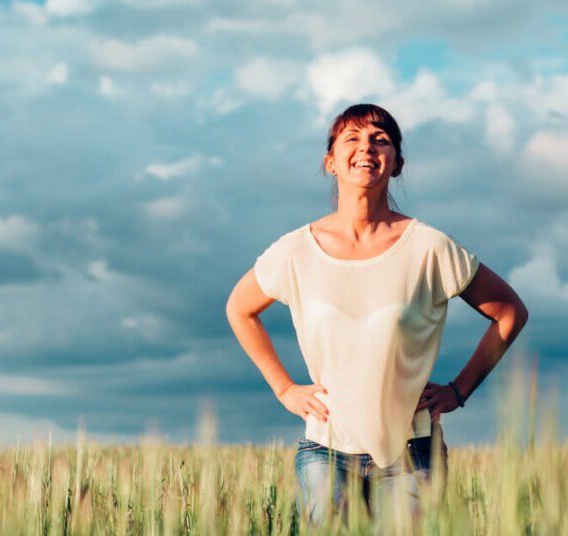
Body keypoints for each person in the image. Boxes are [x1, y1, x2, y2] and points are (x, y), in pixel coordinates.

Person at [225, 103, 528, 528]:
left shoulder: (429, 248)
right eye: (352, 138)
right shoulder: (295, 251)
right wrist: (284, 389)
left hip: (412, 453)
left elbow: (510, 311)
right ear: (331, 162)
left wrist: (460, 390)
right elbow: (239, 309)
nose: (366, 147)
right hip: (325, 452)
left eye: (380, 140)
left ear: (397, 164)